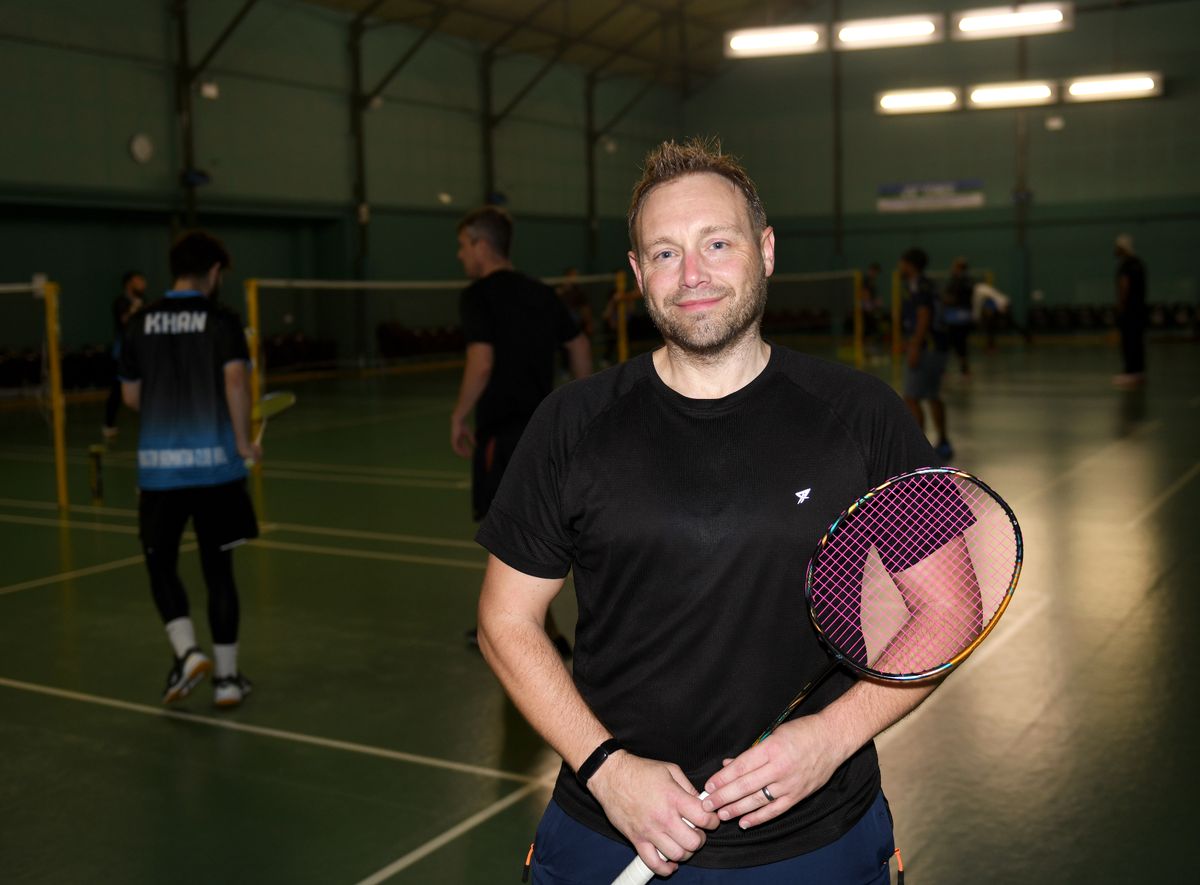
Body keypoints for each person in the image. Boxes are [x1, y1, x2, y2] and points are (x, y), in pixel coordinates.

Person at [476, 139, 948, 883]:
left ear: (764, 250)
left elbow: (946, 608)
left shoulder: (861, 416)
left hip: (819, 840)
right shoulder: (573, 423)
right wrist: (607, 768)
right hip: (610, 830)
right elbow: (505, 621)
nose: (691, 275)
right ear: (636, 275)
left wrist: (830, 736)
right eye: (664, 254)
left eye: (716, 243)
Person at [118, 230, 259, 708]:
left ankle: (186, 651)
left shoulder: (138, 323)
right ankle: (226, 679)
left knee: (161, 564)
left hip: (159, 472)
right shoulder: (222, 320)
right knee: (219, 572)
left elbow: (131, 396)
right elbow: (235, 380)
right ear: (215, 272)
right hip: (217, 470)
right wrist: (242, 441)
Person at [450, 206, 591, 653]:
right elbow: (580, 343)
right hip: (543, 434)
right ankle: (542, 630)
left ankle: (527, 629)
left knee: (507, 537)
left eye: (461, 246)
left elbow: (482, 360)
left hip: (501, 434)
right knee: (537, 532)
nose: (459, 256)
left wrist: (458, 414)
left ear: (480, 244)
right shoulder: (540, 293)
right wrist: (586, 405)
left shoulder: (478, 296)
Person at [900, 247, 953, 460]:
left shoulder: (918, 286)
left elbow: (924, 315)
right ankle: (944, 441)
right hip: (938, 347)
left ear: (910, 265)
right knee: (932, 395)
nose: (899, 267)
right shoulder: (928, 285)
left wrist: (915, 346)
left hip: (927, 349)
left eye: (902, 263)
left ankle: (919, 450)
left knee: (911, 397)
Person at [103, 270, 146, 439]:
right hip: (121, 354)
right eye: (139, 280)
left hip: (141, 352)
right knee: (116, 391)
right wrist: (136, 306)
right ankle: (108, 424)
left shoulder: (145, 301)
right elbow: (126, 321)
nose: (143, 283)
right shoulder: (120, 302)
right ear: (129, 284)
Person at [1113, 233, 1147, 387]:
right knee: (1138, 341)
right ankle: (1138, 372)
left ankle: (1130, 372)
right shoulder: (1139, 263)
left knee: (1129, 341)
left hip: (1129, 310)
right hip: (1140, 309)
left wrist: (1121, 306)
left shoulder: (1126, 265)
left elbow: (1124, 286)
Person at [942, 257, 975, 376]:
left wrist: (946, 300)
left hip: (959, 317)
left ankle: (964, 370)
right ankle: (961, 370)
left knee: (959, 344)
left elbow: (952, 298)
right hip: (955, 316)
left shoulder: (962, 282)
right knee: (955, 344)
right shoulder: (958, 280)